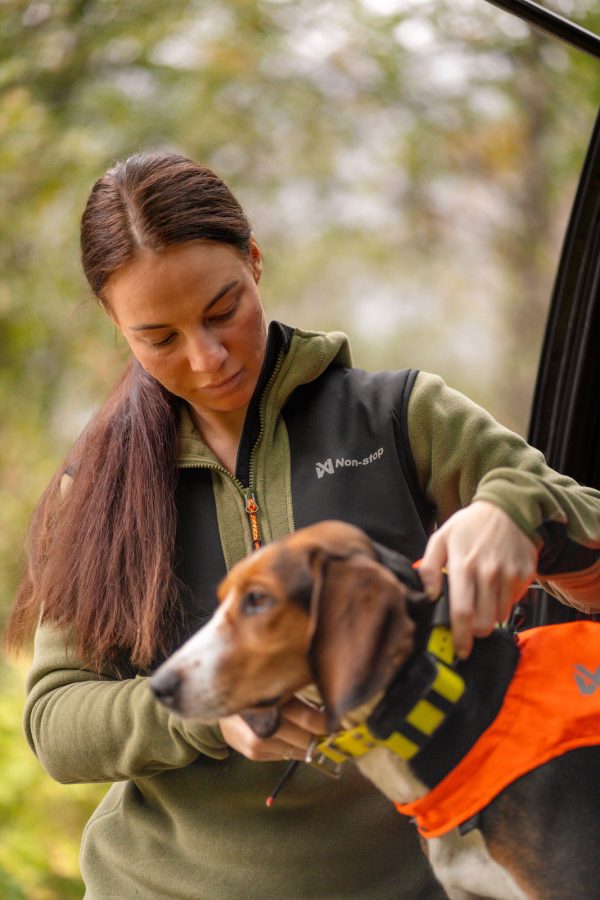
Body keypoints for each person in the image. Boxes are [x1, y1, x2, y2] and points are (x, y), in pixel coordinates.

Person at [6, 151, 600, 900]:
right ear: (114, 323)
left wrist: (516, 509)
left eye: (223, 310)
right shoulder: (94, 491)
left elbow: (580, 526)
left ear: (255, 261)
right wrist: (210, 716)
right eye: (159, 337)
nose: (207, 357)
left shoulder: (399, 418)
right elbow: (57, 725)